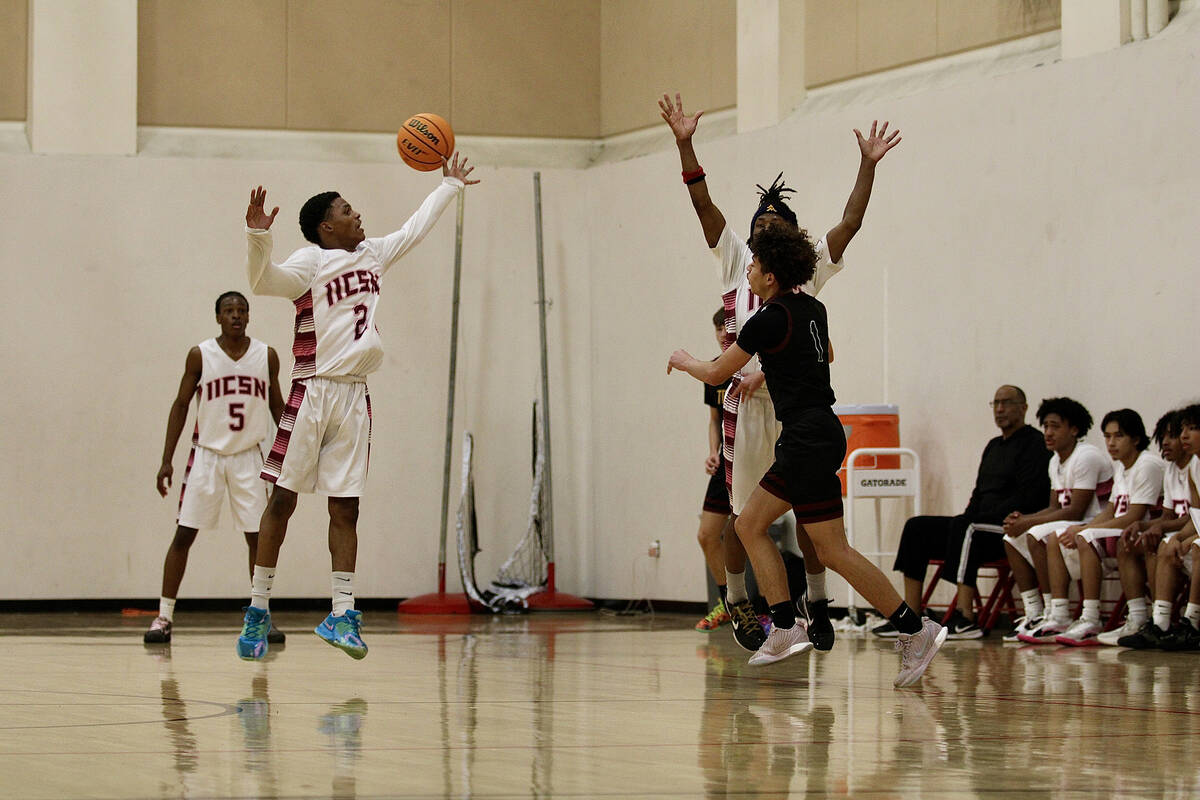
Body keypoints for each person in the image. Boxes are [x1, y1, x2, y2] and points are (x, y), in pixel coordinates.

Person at [660, 91, 901, 654]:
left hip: (792, 409)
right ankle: (745, 605)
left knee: (814, 528)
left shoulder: (804, 267)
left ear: (790, 238)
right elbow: (702, 204)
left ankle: (816, 604)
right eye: (758, 223)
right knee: (744, 520)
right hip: (745, 412)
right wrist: (685, 142)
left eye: (775, 223)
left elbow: (852, 220)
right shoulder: (738, 260)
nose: (764, 228)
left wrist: (866, 165)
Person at [670, 225, 946, 688]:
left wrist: (683, 359)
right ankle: (917, 630)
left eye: (755, 265)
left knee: (747, 525)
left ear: (772, 275)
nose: (750, 271)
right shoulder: (814, 308)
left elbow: (718, 372)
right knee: (834, 550)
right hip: (825, 431)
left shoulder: (769, 317)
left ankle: (783, 625)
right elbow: (824, 354)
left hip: (803, 436)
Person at [236, 154, 479, 660]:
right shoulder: (311, 262)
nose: (357, 214)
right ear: (327, 227)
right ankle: (258, 609)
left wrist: (450, 186)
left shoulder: (373, 254)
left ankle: (342, 612)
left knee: (347, 505)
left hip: (354, 396)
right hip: (313, 389)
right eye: (347, 210)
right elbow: (262, 283)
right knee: (282, 501)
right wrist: (259, 237)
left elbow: (415, 229)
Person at [145, 291, 284, 645]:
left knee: (258, 538)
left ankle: (261, 616)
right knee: (184, 534)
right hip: (206, 455)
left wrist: (290, 455)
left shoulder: (265, 355)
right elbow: (180, 405)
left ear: (249, 316)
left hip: (249, 457)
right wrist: (166, 460)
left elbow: (277, 406)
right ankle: (163, 617)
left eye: (241, 310)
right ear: (218, 317)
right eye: (228, 310)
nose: (235, 315)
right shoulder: (201, 355)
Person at [875, 385, 1049, 639]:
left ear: (1023, 407)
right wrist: (970, 514)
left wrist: (978, 518)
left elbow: (1028, 497)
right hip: (976, 526)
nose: (1000, 409)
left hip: (1009, 528)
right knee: (917, 526)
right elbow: (979, 492)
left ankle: (966, 617)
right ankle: (910, 614)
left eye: (1007, 403)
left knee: (966, 526)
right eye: (996, 403)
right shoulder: (993, 446)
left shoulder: (1034, 444)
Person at [1031, 409, 1164, 646]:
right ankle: (1059, 613)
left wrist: (1085, 531)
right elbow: (1111, 510)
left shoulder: (1147, 464)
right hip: (1125, 532)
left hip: (1146, 532)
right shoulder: (1122, 466)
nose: (1111, 443)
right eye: (1107, 436)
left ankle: (1095, 617)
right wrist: (1085, 527)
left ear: (1135, 438)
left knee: (1088, 538)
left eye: (1118, 436)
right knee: (1062, 536)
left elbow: (1134, 516)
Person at [1003, 397, 1112, 642]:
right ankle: (1036, 612)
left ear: (1074, 429)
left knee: (1036, 533)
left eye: (1055, 426)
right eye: (1046, 427)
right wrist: (1024, 519)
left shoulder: (1086, 456)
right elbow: (1055, 506)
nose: (1048, 433)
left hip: (1094, 525)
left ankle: (1058, 612)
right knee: (1011, 536)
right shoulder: (1055, 460)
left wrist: (1028, 523)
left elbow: (1076, 511)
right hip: (1070, 525)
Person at [1099, 410, 1192, 645]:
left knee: (1156, 544)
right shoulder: (1171, 468)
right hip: (1180, 533)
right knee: (1132, 541)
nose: (1167, 443)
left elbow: (1194, 517)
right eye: (1163, 437)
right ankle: (1142, 619)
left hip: (1190, 535)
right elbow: (1170, 515)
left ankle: (1168, 621)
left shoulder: (1194, 465)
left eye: (1173, 436)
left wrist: (1160, 530)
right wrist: (1144, 525)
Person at [696, 308, 734, 631]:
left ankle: (769, 610)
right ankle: (729, 603)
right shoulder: (713, 371)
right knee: (707, 534)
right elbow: (714, 421)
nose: (723, 333)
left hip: (751, 462)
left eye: (727, 326)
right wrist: (713, 452)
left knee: (749, 533)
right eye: (718, 328)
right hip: (726, 464)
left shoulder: (752, 363)